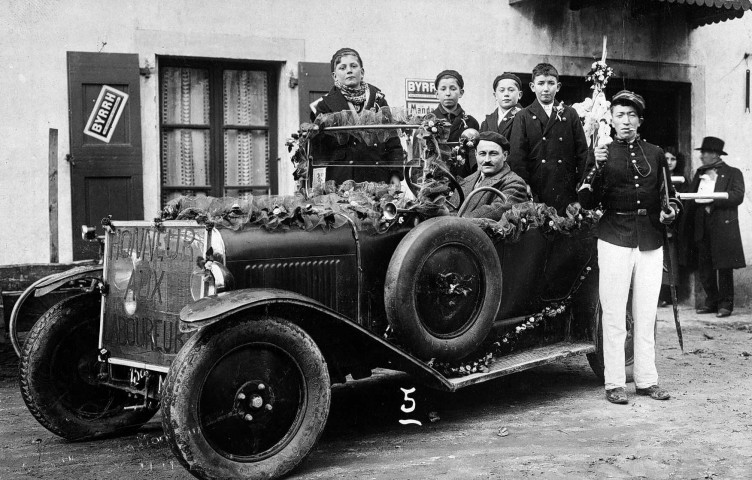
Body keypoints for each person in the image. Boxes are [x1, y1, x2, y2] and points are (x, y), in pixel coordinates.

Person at [577, 90, 680, 404]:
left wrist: (670, 210)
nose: (626, 121)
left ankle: (647, 381)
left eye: (631, 115)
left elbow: (669, 195)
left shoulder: (656, 152)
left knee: (646, 313)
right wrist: (594, 168)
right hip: (613, 237)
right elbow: (585, 199)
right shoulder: (602, 152)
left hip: (649, 239)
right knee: (613, 312)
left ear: (640, 120)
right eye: (620, 115)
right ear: (612, 119)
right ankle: (614, 383)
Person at [310, 47, 404, 185]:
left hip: (377, 178)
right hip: (341, 181)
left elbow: (393, 141)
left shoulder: (379, 100)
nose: (349, 70)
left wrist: (396, 174)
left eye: (353, 66)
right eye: (342, 68)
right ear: (334, 76)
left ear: (362, 72)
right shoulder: (324, 106)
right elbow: (319, 151)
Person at [508, 63, 588, 214]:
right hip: (536, 185)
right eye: (541, 83)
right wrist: (523, 183)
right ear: (532, 86)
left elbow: (582, 152)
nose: (546, 89)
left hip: (565, 186)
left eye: (551, 83)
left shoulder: (570, 114)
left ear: (558, 87)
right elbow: (517, 155)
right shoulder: (523, 116)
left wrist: (581, 182)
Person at [685, 136, 746, 318]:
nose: (701, 156)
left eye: (704, 153)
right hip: (702, 223)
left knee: (724, 266)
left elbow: (737, 196)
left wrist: (713, 197)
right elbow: (691, 195)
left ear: (714, 154)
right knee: (704, 265)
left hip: (722, 225)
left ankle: (725, 305)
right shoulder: (700, 172)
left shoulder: (733, 173)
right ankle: (711, 301)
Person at [458, 131, 528, 220]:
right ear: (476, 155)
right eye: (482, 154)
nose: (487, 159)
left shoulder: (515, 183)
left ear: (505, 156)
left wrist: (452, 221)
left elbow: (496, 210)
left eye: (493, 154)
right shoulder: (468, 180)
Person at [431, 69, 480, 179]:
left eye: (453, 89)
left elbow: (475, 159)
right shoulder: (426, 123)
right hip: (434, 181)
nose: (448, 93)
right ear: (436, 93)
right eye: (443, 89)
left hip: (464, 180)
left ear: (461, 93)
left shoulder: (471, 122)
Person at [659, 147, 689, 307]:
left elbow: (685, 207)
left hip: (675, 227)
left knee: (672, 261)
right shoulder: (656, 176)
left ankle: (668, 295)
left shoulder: (682, 180)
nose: (669, 163)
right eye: (667, 159)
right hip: (657, 224)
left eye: (673, 159)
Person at [480, 73, 524, 140]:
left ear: (520, 95)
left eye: (511, 90)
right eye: (502, 90)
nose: (506, 94)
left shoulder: (525, 117)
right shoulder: (487, 122)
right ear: (495, 95)